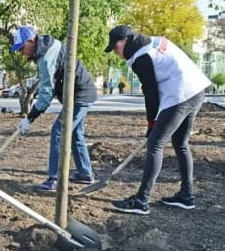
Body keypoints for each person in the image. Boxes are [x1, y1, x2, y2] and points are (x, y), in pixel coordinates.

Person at [105, 25, 211, 215]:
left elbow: (151, 92)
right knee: (180, 143)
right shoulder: (153, 41)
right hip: (196, 90)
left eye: (115, 46)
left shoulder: (141, 57)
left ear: (126, 40)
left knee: (155, 144)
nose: (115, 51)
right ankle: (186, 196)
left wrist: (151, 122)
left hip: (180, 94)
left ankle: (141, 200)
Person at [11, 25, 97, 192]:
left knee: (59, 131)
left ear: (30, 41)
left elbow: (46, 93)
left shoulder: (45, 56)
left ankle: (54, 179)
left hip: (80, 95)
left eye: (22, 48)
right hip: (79, 94)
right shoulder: (47, 46)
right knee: (75, 133)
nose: (21, 53)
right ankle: (85, 173)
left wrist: (30, 118)